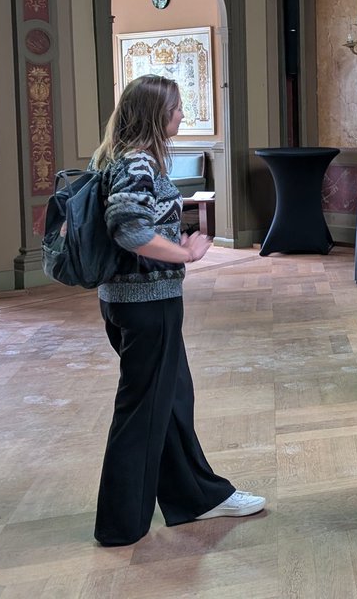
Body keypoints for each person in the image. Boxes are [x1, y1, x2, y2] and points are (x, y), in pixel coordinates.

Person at [92, 75, 265, 547]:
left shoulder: (115, 158)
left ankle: (195, 497)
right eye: (176, 108)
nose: (182, 115)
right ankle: (120, 524)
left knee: (169, 403)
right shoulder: (136, 163)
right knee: (142, 410)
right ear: (154, 115)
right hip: (146, 304)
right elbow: (128, 230)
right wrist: (185, 252)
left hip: (130, 302)